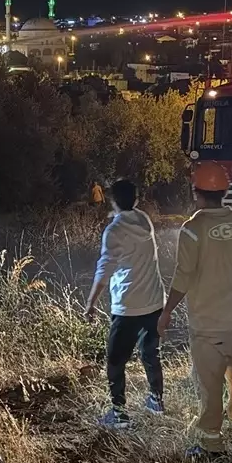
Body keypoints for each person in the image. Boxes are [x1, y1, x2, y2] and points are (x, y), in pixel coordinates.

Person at [160, 161, 232, 461]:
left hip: (208, 325)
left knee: (210, 388)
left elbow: (183, 275)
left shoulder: (192, 228)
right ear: (225, 191)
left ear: (195, 192)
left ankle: (211, 446)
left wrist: (166, 311)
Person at [84, 178, 167, 428]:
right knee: (150, 353)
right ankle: (156, 400)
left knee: (115, 360)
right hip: (154, 300)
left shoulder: (114, 231)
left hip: (128, 305)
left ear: (112, 201)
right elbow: (127, 213)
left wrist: (90, 304)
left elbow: (104, 269)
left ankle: (119, 413)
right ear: (137, 200)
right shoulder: (144, 220)